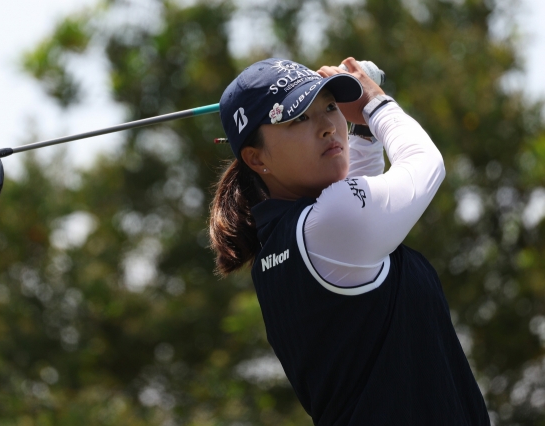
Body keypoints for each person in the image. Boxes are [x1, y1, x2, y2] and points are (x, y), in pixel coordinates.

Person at [209, 57, 490, 425]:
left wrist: (363, 130)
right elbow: (426, 163)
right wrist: (376, 102)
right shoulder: (329, 224)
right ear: (256, 158)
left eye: (329, 106)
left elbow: (354, 195)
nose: (327, 127)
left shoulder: (283, 242)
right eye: (298, 119)